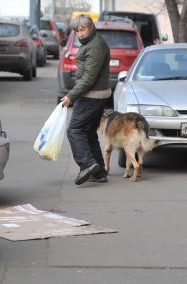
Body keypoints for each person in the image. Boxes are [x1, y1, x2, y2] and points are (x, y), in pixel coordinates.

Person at [61, 14, 111, 185]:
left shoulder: (95, 45)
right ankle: (100, 173)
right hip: (95, 94)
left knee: (74, 130)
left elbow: (89, 77)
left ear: (91, 27)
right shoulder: (92, 42)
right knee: (89, 133)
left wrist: (71, 96)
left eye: (82, 29)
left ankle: (88, 164)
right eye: (77, 31)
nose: (80, 34)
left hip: (91, 95)